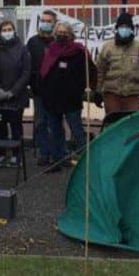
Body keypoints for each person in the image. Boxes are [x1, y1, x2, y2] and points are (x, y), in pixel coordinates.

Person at [37, 21, 96, 171]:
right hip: (52, 99)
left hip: (72, 99)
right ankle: (59, 159)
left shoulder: (79, 51)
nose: (62, 34)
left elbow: (91, 72)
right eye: (59, 32)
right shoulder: (51, 50)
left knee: (77, 130)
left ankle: (87, 160)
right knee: (56, 130)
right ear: (55, 33)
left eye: (65, 32)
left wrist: (88, 88)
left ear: (71, 34)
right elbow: (44, 72)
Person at [0, 20, 30, 166]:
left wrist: (14, 91)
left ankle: (16, 155)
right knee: (0, 126)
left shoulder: (22, 48)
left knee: (16, 126)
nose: (7, 32)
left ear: (14, 31)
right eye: (4, 30)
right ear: (0, 33)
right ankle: (1, 154)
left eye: (9, 29)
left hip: (17, 95)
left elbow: (26, 72)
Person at [94, 11, 139, 115]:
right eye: (122, 26)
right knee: (113, 123)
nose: (124, 29)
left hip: (132, 95)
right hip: (112, 94)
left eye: (127, 26)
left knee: (132, 125)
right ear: (117, 28)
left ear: (132, 29)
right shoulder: (108, 47)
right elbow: (100, 71)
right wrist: (97, 91)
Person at [26, 9, 57, 167]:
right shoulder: (32, 42)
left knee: (54, 123)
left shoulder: (58, 42)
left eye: (48, 21)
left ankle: (56, 154)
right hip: (38, 90)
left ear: (54, 24)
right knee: (40, 122)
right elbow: (27, 65)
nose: (44, 23)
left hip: (55, 92)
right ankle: (44, 153)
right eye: (42, 20)